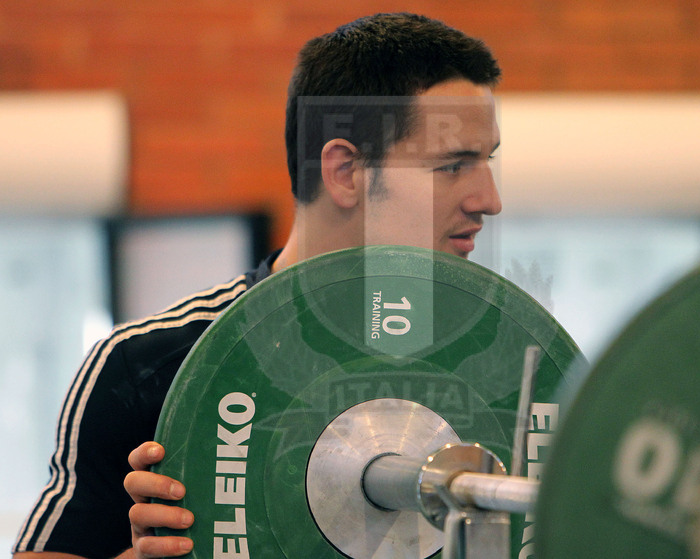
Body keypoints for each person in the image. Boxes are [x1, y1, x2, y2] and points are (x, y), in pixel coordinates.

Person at [13, 12, 502, 559]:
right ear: (346, 172)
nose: (489, 200)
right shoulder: (144, 365)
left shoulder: (495, 367)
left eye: (487, 161)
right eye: (452, 166)